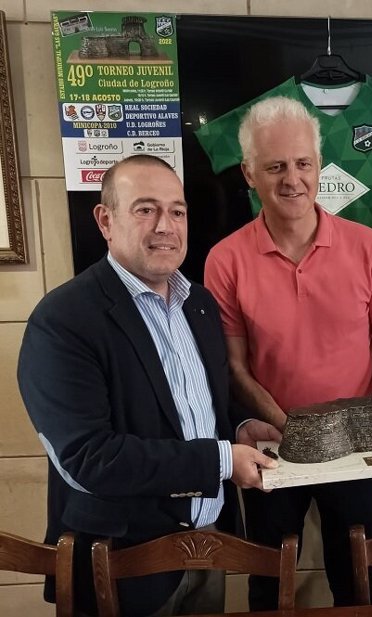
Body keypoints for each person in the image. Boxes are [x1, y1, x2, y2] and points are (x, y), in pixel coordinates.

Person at [17, 155, 281, 617]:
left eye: (177, 211)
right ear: (105, 220)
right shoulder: (62, 321)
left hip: (206, 545)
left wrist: (237, 429)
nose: (166, 225)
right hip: (119, 562)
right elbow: (88, 459)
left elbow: (196, 405)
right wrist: (222, 459)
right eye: (145, 209)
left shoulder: (197, 303)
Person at [204, 96, 372, 610]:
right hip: (271, 449)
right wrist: (294, 429)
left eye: (303, 163)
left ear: (319, 166)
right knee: (269, 585)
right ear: (249, 173)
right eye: (275, 166)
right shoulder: (224, 260)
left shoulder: (369, 248)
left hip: (357, 448)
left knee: (360, 581)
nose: (292, 179)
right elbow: (234, 367)